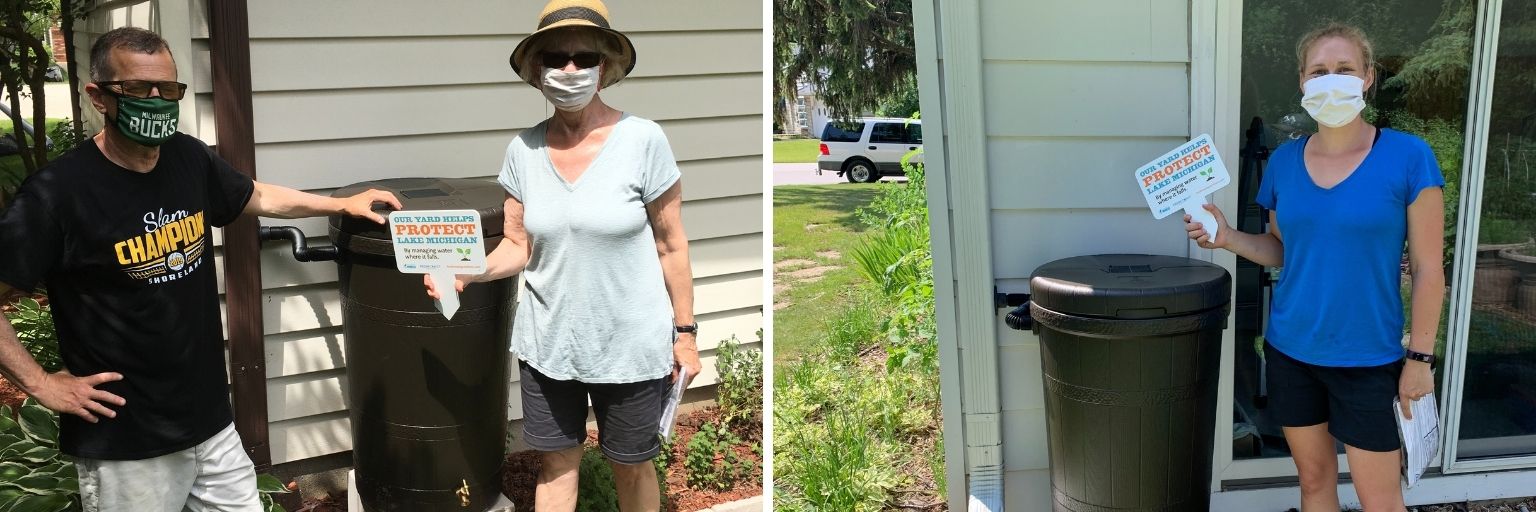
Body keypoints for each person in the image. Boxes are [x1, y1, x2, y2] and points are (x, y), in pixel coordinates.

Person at [0, 27, 400, 511]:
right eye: (137, 89)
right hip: (129, 445)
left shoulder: (187, 157)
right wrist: (41, 383)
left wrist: (339, 204)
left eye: (167, 90)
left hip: (209, 423)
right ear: (98, 96)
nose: (156, 100)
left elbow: (255, 195)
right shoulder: (57, 195)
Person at [423, 1, 701, 511]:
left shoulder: (643, 140)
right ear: (537, 70)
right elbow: (518, 246)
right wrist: (467, 269)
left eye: (583, 58)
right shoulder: (522, 151)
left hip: (631, 345)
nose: (569, 69)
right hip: (550, 346)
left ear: (603, 69)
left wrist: (685, 335)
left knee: (632, 465)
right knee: (555, 463)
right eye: (556, 57)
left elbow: (672, 244)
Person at [1185, 23, 1443, 512]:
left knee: (1381, 500)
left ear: (1368, 77)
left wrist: (1421, 360)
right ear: (1303, 81)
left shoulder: (1409, 157)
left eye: (1344, 69)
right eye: (1319, 70)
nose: (1332, 79)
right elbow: (1286, 250)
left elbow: (1430, 270)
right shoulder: (1284, 161)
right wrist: (1228, 238)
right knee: (1313, 483)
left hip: (1369, 359)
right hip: (1292, 353)